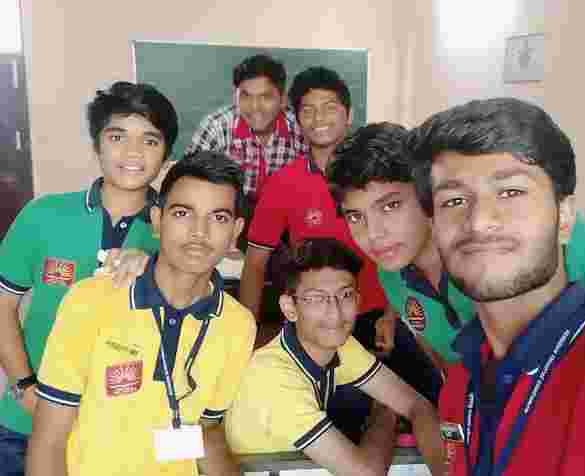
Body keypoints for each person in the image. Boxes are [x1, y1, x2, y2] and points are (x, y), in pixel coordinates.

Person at [409, 98, 585, 475]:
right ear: (435, 229)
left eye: (511, 192)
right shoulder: (459, 388)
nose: (479, 221)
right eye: (453, 200)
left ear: (564, 218)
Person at [327, 122, 585, 368]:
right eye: (355, 216)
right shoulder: (392, 275)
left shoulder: (555, 235)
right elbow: (451, 369)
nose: (374, 233)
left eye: (391, 206)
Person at [239, 67, 442, 442]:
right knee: (342, 420)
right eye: (308, 109)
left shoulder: (384, 177)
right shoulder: (283, 183)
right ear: (296, 119)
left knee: (431, 400)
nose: (319, 118)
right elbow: (255, 263)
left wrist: (391, 313)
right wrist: (247, 338)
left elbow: (403, 255)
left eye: (329, 107)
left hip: (384, 317)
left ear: (349, 114)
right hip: (321, 321)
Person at [26, 152, 256, 476]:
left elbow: (204, 430)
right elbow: (48, 441)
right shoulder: (91, 301)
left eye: (218, 218)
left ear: (235, 231)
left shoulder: (238, 325)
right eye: (183, 213)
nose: (199, 232)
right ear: (158, 220)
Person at [0, 81, 177, 475]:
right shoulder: (43, 215)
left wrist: (156, 266)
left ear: (166, 154)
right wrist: (24, 386)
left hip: (120, 436)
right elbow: (3, 304)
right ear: (97, 145)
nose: (132, 152)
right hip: (26, 425)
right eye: (117, 137)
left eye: (149, 140)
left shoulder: (175, 233)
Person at [226, 238, 444, 476]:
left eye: (345, 295)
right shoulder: (273, 379)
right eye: (317, 298)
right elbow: (365, 474)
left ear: (358, 301)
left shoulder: (340, 345)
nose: (335, 313)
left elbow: (418, 406)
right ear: (290, 308)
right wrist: (385, 415)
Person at [185, 54, 306, 202]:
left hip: (283, 207)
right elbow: (186, 181)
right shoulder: (216, 127)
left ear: (283, 100)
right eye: (246, 96)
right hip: (228, 206)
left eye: (265, 97)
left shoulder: (300, 129)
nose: (254, 107)